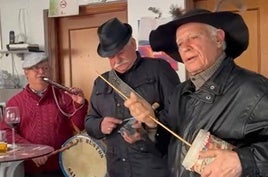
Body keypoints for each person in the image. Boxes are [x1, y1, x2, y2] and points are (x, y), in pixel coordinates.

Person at [124, 9, 268, 177]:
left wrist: (242, 161)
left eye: (193, 37)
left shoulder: (253, 89)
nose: (184, 48)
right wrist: (150, 123)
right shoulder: (180, 93)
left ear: (219, 39)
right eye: (179, 43)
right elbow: (167, 146)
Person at [85, 18, 180, 177]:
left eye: (120, 52)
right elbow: (89, 120)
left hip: (153, 168)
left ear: (134, 44)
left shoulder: (159, 69)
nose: (117, 60)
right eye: (111, 56)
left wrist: (149, 128)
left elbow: (179, 114)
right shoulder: (101, 82)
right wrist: (99, 124)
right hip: (116, 169)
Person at [0, 52, 88, 177]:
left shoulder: (63, 96)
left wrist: (79, 105)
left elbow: (79, 126)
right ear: (26, 73)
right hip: (29, 168)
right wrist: (32, 151)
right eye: (36, 68)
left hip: (63, 165)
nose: (42, 72)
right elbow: (7, 132)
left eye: (45, 68)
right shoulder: (15, 102)